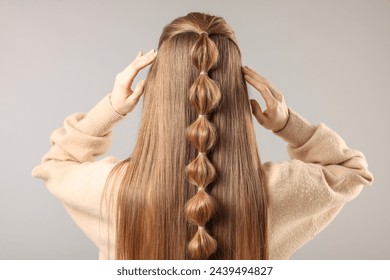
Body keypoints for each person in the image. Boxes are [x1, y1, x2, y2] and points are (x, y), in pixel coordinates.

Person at [32, 12, 373, 260]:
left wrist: (112, 107)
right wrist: (287, 123)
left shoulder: (114, 191)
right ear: (237, 90)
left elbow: (57, 162)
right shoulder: (273, 192)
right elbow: (352, 171)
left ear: (157, 90)